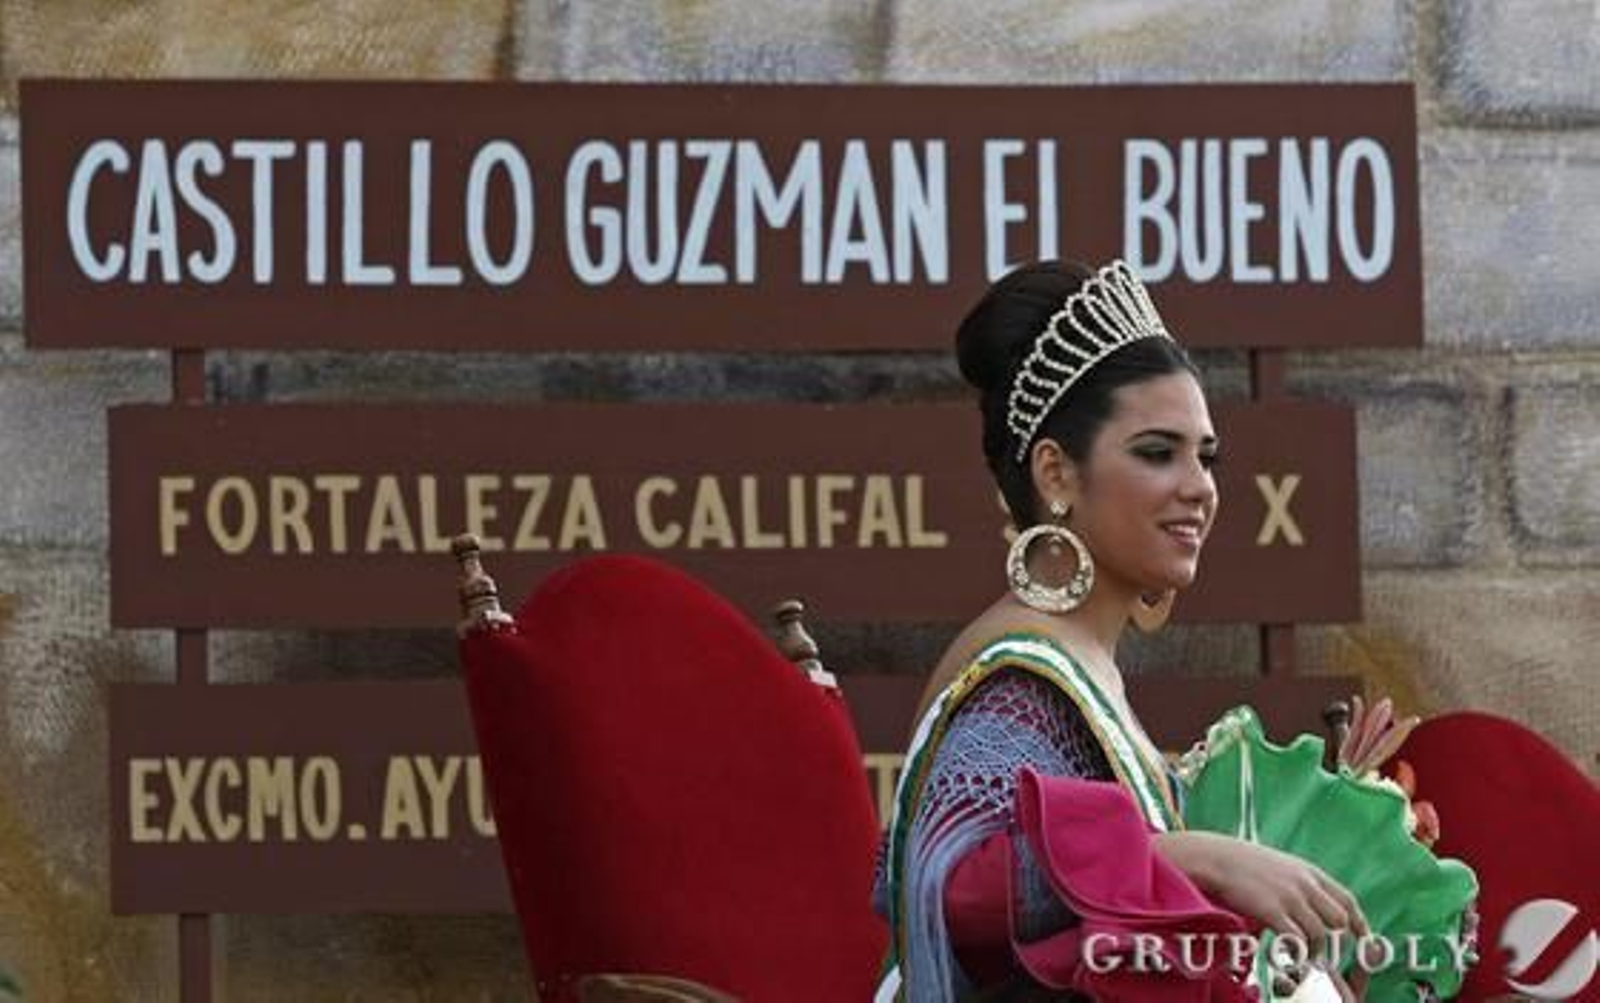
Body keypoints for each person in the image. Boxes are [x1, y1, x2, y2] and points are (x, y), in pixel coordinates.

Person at [872, 260, 1368, 1001]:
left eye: (1208, 456)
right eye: (1157, 451)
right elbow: (952, 881)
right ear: (1057, 474)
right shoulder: (1022, 675)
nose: (1199, 485)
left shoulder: (1085, 663)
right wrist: (1192, 857)